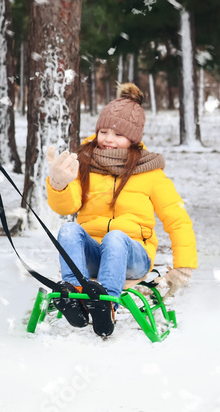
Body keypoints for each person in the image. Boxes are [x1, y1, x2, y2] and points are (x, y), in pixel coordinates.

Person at [45, 83, 197, 337]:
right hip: (94, 253)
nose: (107, 139)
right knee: (69, 229)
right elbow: (67, 206)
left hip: (132, 257)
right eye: (103, 131)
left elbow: (176, 218)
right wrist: (58, 183)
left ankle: (107, 305)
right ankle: (76, 297)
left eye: (117, 134)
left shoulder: (150, 171)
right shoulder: (85, 163)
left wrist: (183, 267)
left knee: (116, 236)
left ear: (133, 139)